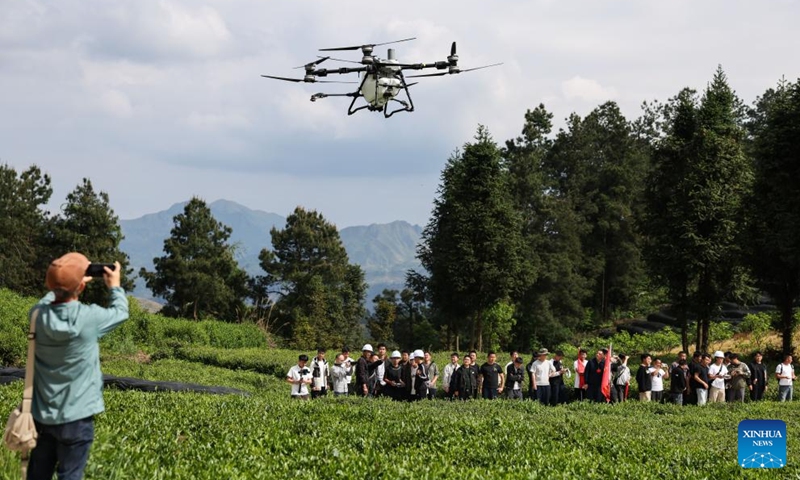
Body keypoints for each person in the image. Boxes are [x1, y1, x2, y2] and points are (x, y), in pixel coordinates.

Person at [28, 254, 128, 480]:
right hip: (77, 417)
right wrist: (115, 287)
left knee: (37, 475)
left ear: (49, 285)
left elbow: (46, 300)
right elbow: (120, 313)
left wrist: (62, 282)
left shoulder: (36, 316)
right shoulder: (89, 318)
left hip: (42, 416)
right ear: (82, 285)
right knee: (71, 475)